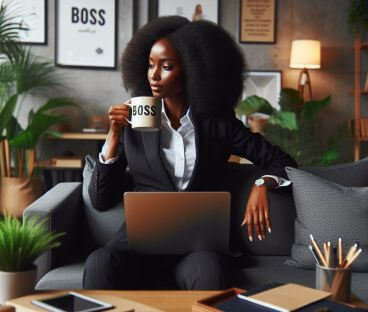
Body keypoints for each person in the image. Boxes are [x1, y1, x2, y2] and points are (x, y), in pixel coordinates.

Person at [84, 16, 297, 290]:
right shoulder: (135, 120)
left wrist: (261, 183)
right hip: (139, 244)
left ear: (194, 72)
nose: (154, 75)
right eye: (150, 65)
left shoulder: (219, 123)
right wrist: (114, 134)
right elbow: (100, 199)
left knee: (208, 271)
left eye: (167, 67)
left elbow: (284, 162)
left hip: (198, 247)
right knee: (99, 262)